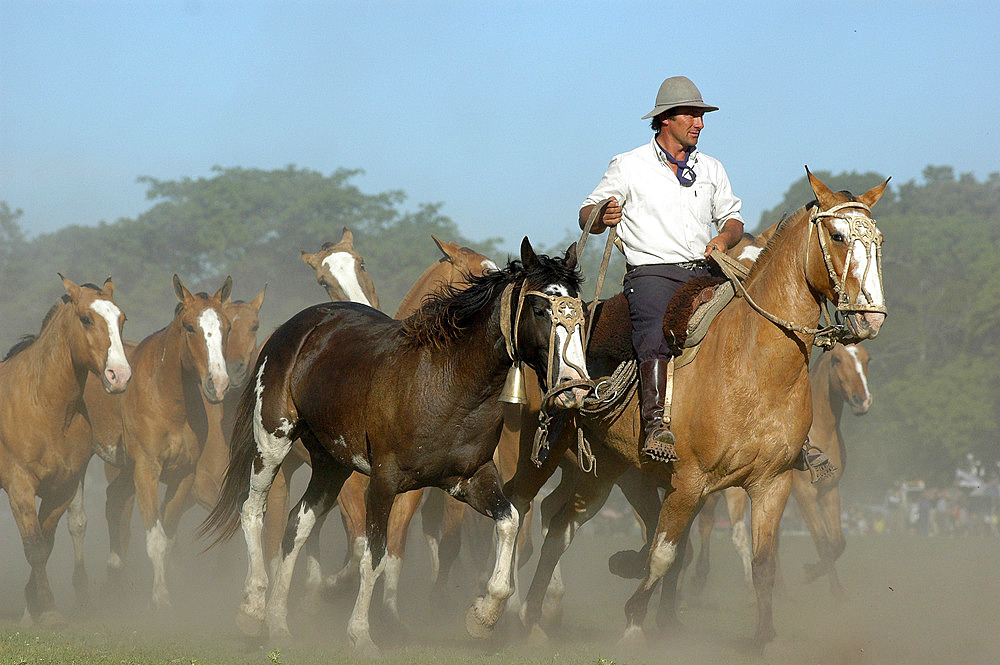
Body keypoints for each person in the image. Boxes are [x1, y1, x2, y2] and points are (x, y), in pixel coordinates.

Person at [579, 75, 744, 464]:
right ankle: (655, 425)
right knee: (654, 329)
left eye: (701, 116)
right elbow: (586, 211)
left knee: (750, 320)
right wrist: (602, 214)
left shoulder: (713, 168)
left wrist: (723, 239)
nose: (700, 123)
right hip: (652, 274)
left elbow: (734, 219)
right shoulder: (629, 165)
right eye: (691, 115)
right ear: (666, 119)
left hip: (704, 270)